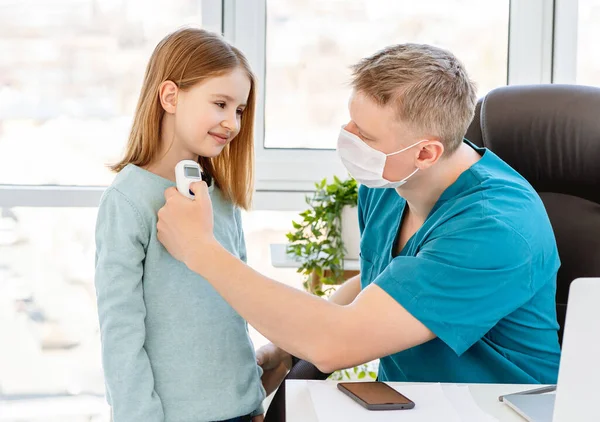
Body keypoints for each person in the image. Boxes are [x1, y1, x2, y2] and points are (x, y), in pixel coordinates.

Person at [156, 43, 562, 396]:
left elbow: (339, 342)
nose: (347, 137)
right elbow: (379, 281)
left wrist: (201, 250)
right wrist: (286, 352)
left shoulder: (497, 228)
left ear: (426, 153)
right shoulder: (388, 181)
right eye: (352, 120)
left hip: (495, 409)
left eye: (365, 136)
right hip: (408, 402)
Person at [94, 28, 265, 422]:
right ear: (170, 96)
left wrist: (252, 399)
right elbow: (120, 332)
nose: (233, 123)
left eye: (239, 110)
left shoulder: (219, 196)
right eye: (220, 103)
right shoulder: (128, 200)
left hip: (239, 410)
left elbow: (233, 311)